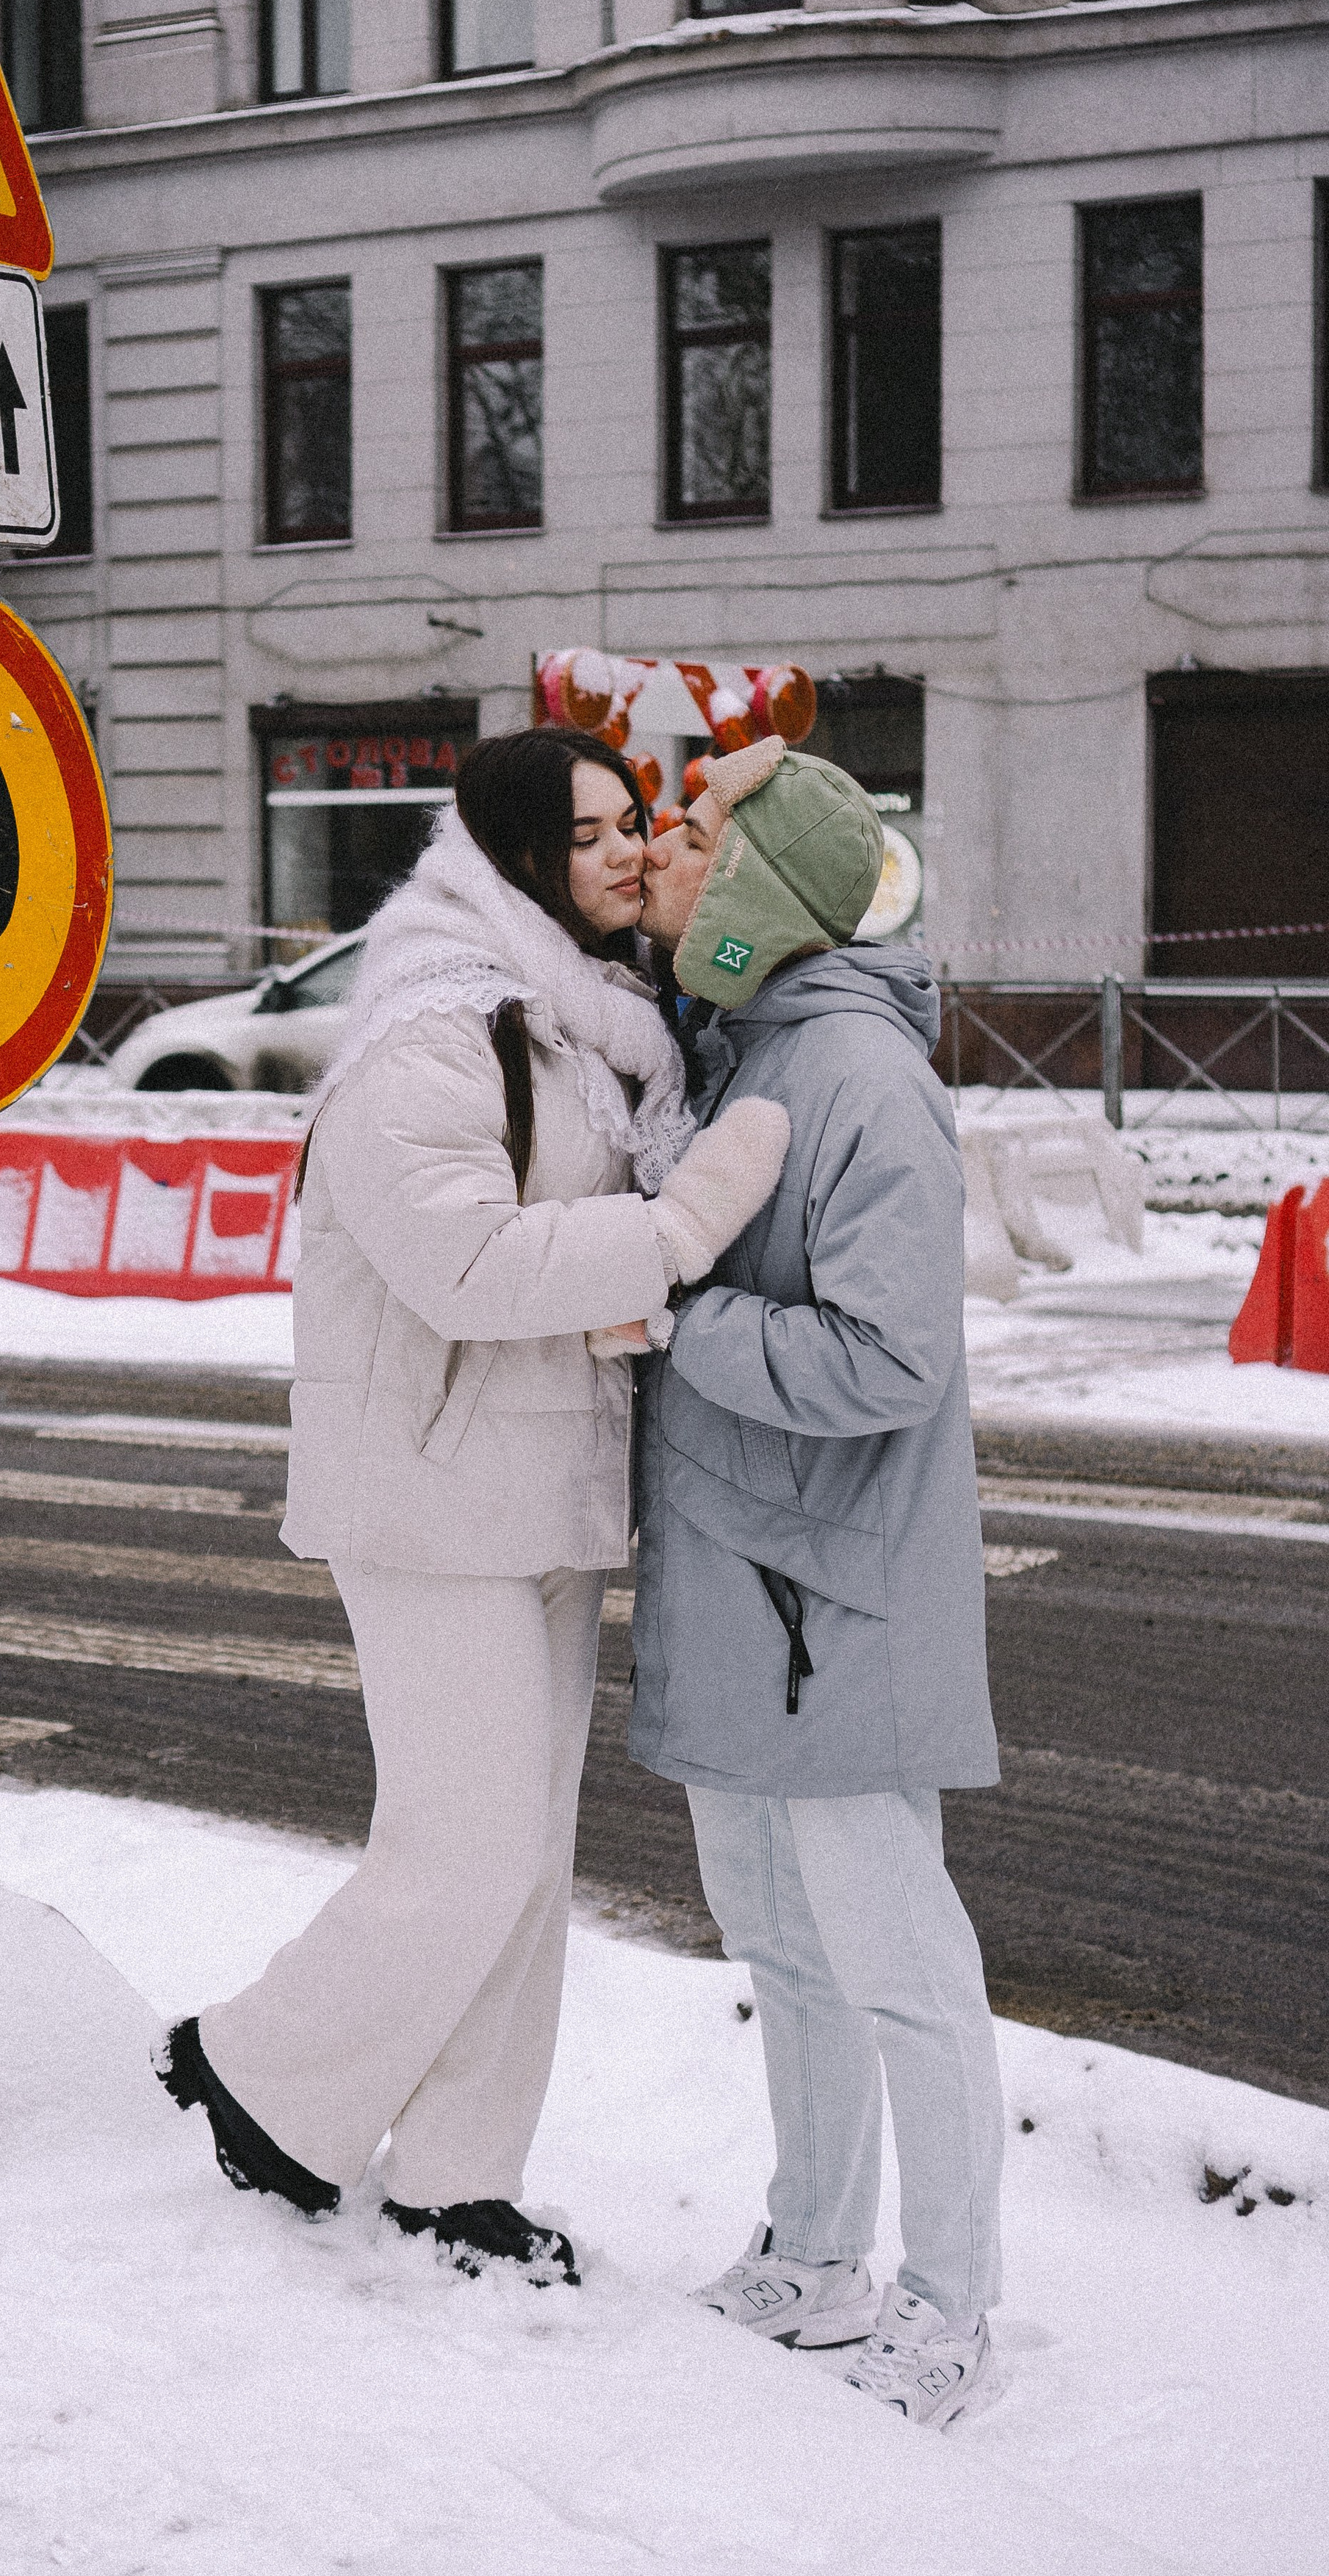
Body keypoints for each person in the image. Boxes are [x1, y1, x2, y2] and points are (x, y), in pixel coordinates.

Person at [156, 726, 791, 2284]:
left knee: (526, 1855)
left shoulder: (596, 1021)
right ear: (512, 857)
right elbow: (463, 1267)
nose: (627, 851)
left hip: (548, 1490)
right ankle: (261, 2071)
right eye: (586, 836)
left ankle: (457, 2176)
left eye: (631, 820)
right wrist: (675, 1230)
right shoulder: (431, 1034)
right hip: (430, 1495)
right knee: (468, 1847)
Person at [627, 734, 1006, 2428]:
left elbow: (890, 1359)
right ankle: (811, 2252)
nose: (667, 847)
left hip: (831, 1599)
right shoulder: (734, 1048)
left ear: (767, 881)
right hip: (741, 1579)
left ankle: (947, 2305)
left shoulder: (852, 1074)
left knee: (896, 1968)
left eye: (698, 831)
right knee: (780, 1950)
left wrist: (677, 1320)